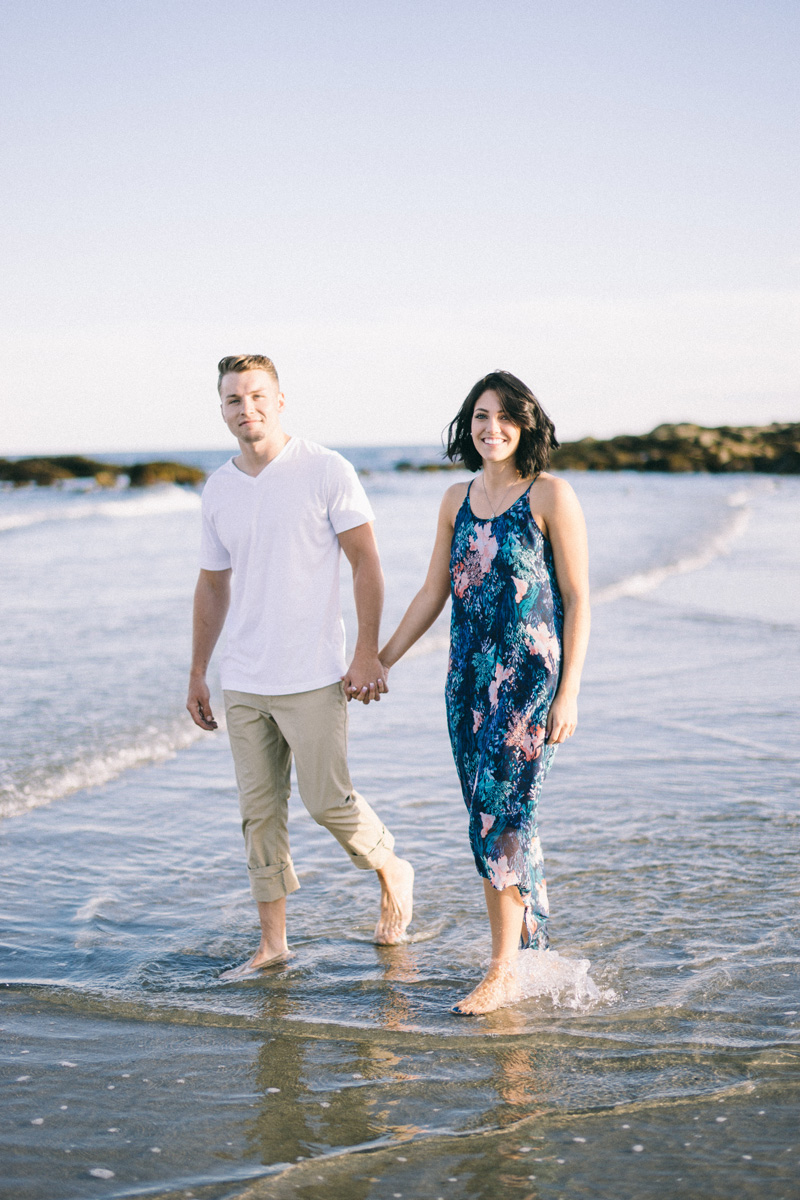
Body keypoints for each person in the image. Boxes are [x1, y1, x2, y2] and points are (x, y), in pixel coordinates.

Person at [186, 355, 414, 978]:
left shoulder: (324, 469)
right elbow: (212, 586)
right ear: (223, 409)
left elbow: (366, 561)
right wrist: (198, 670)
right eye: (233, 400)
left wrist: (367, 651)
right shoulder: (219, 488)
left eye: (257, 396)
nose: (246, 409)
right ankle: (273, 945)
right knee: (258, 815)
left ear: (280, 400)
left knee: (325, 800)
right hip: (244, 679)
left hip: (314, 672)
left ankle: (392, 867)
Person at [378, 371, 590, 1014]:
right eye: (479, 415)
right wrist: (378, 660)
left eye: (503, 416)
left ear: (525, 424)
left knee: (503, 813)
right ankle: (530, 945)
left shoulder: (551, 494)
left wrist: (570, 692)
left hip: (530, 681)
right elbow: (433, 592)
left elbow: (579, 598)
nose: (490, 427)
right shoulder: (455, 499)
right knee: (491, 816)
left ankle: (500, 971)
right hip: (467, 681)